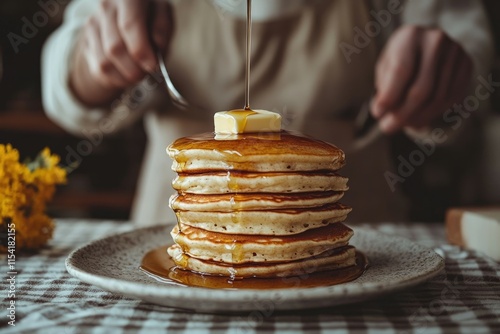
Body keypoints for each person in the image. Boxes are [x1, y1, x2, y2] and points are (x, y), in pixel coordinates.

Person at [42, 0, 494, 225]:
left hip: (359, 240)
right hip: (177, 238)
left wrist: (447, 78)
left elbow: (470, 62)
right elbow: (65, 86)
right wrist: (93, 63)